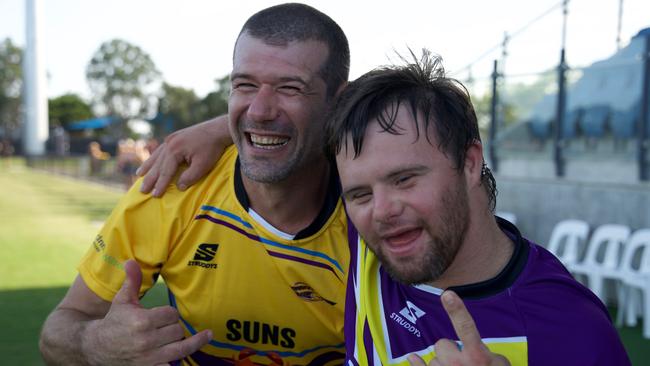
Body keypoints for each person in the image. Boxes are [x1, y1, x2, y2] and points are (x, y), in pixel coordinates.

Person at [138, 53, 631, 365]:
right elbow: (292, 120)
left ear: (469, 160)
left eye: (405, 179)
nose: (382, 211)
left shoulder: (570, 332)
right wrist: (220, 128)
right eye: (360, 193)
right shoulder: (373, 247)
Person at [39, 4, 353, 365]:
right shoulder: (173, 187)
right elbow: (58, 330)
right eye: (244, 85)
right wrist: (92, 342)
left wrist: (219, 128)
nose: (260, 110)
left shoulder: (371, 207)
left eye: (290, 88)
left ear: (338, 101)